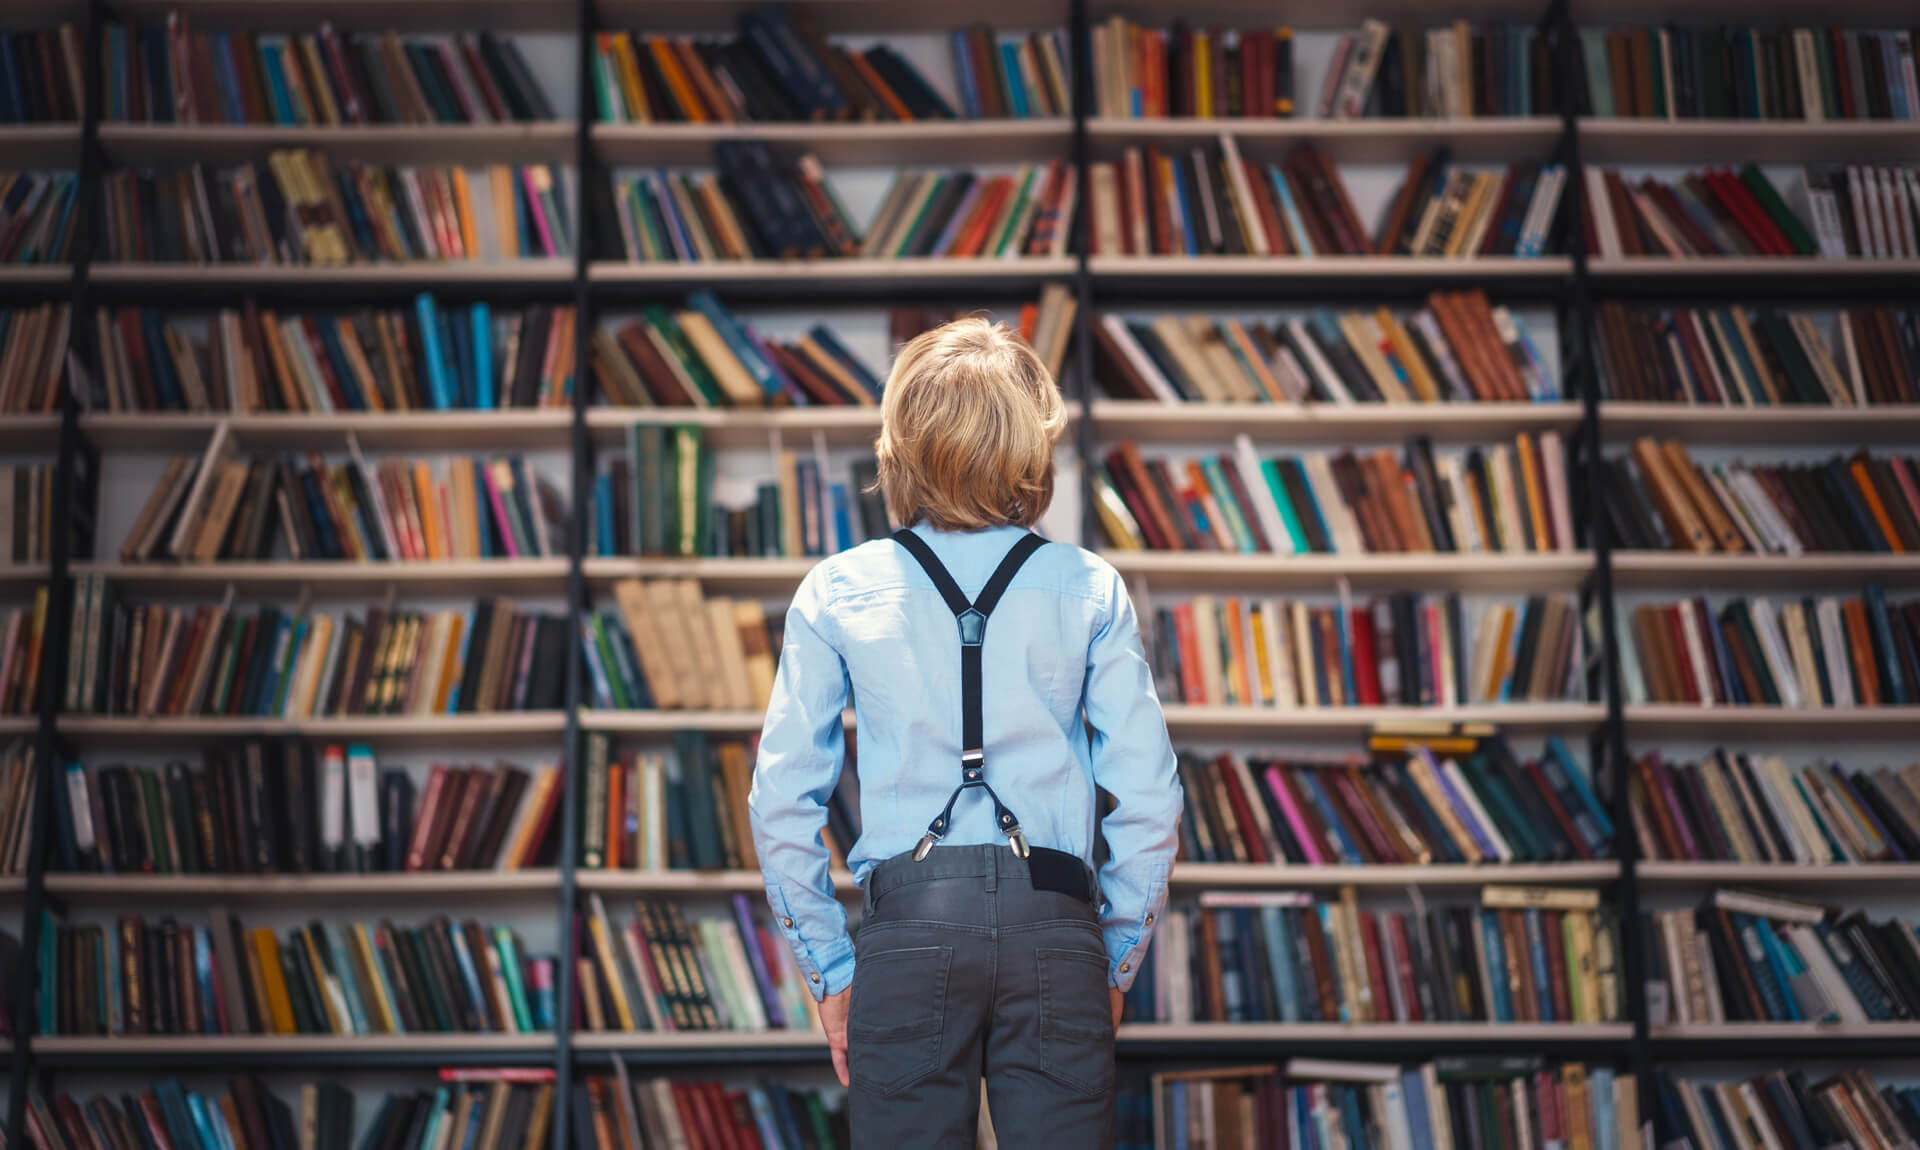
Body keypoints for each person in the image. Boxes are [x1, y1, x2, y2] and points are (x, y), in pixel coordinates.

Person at [748, 317, 1183, 1148]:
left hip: (906, 934)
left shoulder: (837, 590)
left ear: (901, 443)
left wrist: (830, 971)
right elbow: (1153, 801)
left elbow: (779, 804)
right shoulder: (1090, 587)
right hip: (1059, 932)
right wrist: (1115, 960)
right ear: (1031, 442)